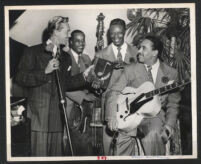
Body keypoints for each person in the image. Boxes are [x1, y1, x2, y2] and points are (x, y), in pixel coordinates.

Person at [15, 16, 93, 156]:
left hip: (58, 116)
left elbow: (66, 83)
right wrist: (45, 71)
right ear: (55, 31)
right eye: (66, 32)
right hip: (39, 117)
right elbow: (20, 78)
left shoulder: (65, 57)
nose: (68, 35)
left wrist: (84, 76)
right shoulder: (32, 52)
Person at [106, 35, 181, 155]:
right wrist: (111, 117)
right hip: (129, 116)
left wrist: (169, 124)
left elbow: (173, 103)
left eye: (143, 48)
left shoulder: (171, 73)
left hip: (154, 117)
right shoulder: (130, 69)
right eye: (139, 47)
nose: (138, 51)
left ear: (155, 52)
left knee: (154, 133)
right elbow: (114, 91)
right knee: (120, 140)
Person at [94, 18, 138, 155]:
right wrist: (97, 85)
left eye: (119, 33)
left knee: (127, 148)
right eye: (112, 33)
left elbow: (142, 79)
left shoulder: (136, 52)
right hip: (110, 105)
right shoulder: (100, 54)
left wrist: (129, 68)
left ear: (124, 32)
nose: (116, 36)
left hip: (131, 105)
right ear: (108, 34)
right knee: (108, 148)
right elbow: (96, 82)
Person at [64, 30, 96, 155]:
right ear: (70, 42)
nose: (81, 44)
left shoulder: (86, 58)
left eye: (83, 41)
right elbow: (63, 84)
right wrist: (84, 96)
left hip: (83, 109)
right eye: (77, 41)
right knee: (68, 139)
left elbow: (89, 79)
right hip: (68, 105)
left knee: (83, 140)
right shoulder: (65, 56)